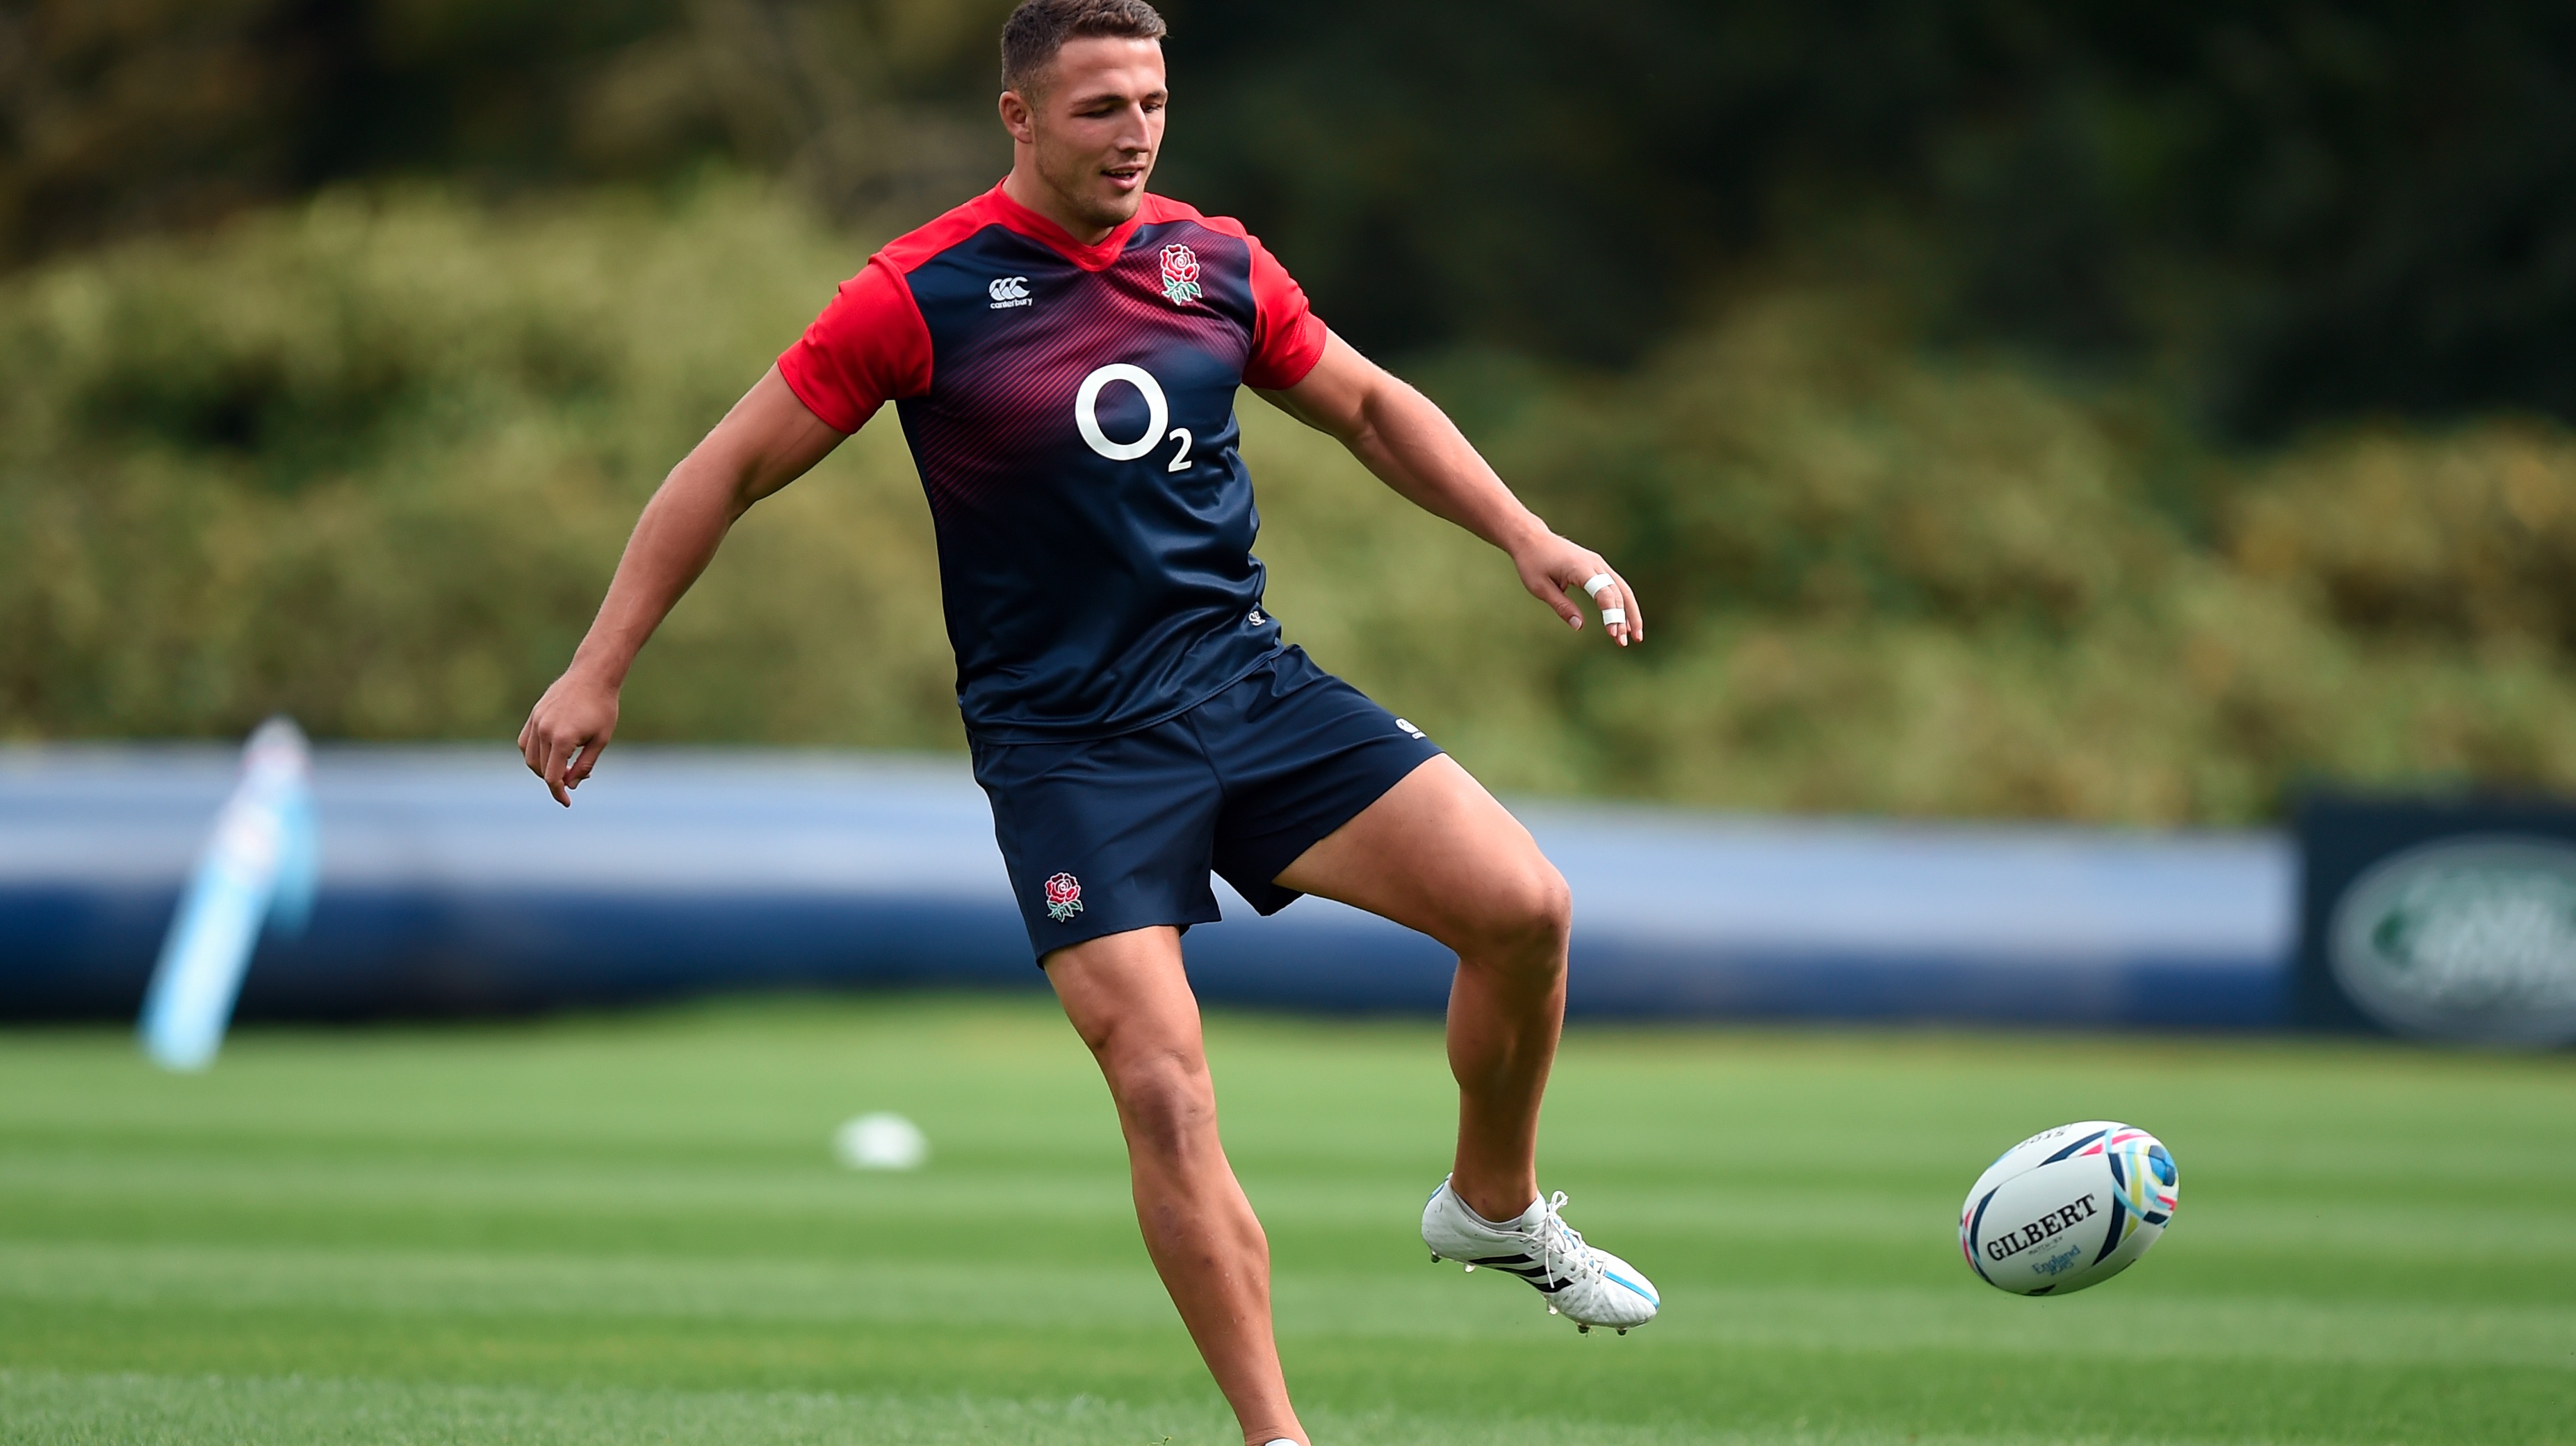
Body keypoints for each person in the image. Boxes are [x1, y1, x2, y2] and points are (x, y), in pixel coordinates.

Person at [516, 2, 1658, 1441]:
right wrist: (598, 664)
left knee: (1524, 908)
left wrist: (1524, 533)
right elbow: (726, 467)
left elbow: (1368, 407)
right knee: (1165, 1091)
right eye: (1100, 108)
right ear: (1018, 116)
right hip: (1069, 754)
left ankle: (1489, 1202)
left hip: (1244, 687)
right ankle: (1276, 1435)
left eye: (1152, 104)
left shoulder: (1212, 262)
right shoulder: (917, 294)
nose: (1135, 135)